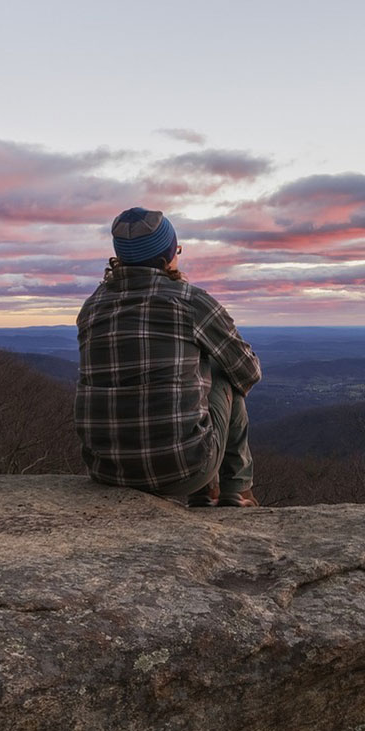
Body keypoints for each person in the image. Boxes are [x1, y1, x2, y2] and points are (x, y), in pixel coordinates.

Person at [75, 207, 262, 507]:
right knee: (224, 369)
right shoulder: (191, 301)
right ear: (168, 256)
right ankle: (236, 492)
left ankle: (210, 494)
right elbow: (248, 370)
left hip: (107, 469)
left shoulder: (92, 307)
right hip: (185, 470)